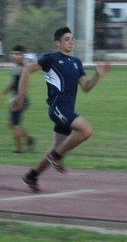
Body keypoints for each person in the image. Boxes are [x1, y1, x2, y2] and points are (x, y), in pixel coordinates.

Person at [13, 27, 111, 192]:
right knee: (86, 130)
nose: (70, 41)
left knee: (57, 148)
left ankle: (31, 176)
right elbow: (26, 69)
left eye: (72, 38)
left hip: (67, 110)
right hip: (57, 108)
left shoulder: (76, 63)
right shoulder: (51, 58)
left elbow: (86, 87)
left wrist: (98, 76)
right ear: (58, 43)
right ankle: (56, 157)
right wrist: (21, 95)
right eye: (66, 39)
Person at [0, 45, 35, 154]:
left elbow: (25, 85)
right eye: (14, 54)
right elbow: (14, 83)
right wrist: (3, 93)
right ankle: (29, 139)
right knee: (11, 124)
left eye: (18, 54)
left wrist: (20, 98)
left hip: (20, 99)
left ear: (23, 55)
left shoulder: (24, 68)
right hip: (16, 98)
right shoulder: (16, 68)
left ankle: (20, 149)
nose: (15, 56)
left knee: (15, 125)